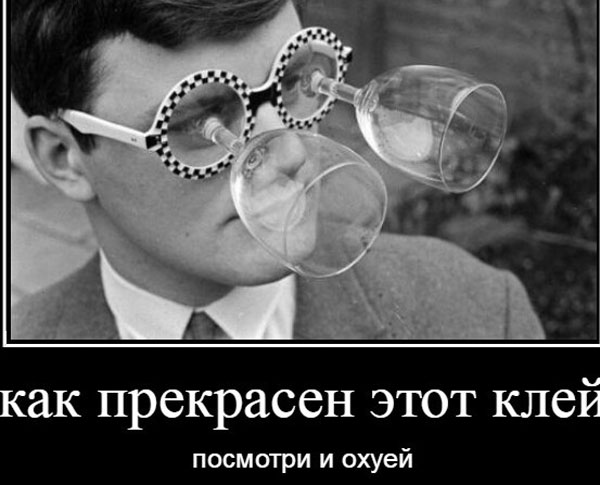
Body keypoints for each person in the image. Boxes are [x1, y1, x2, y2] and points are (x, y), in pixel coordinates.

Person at [10, 0, 544, 340]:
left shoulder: (477, 314)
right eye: (198, 124)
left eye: (295, 82)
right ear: (62, 157)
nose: (289, 153)